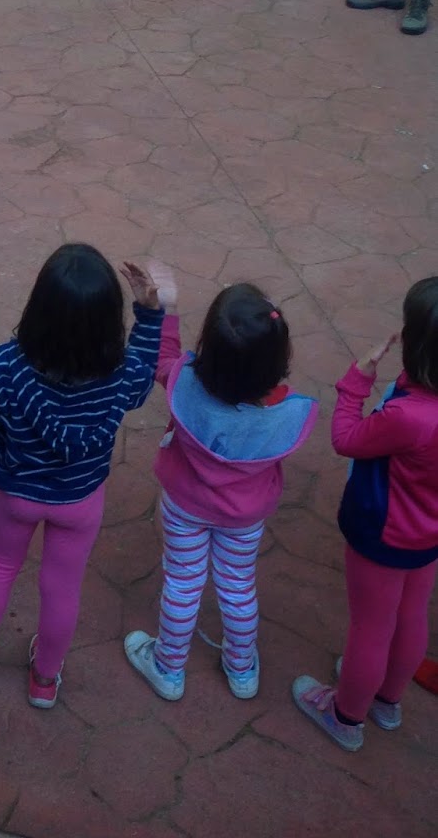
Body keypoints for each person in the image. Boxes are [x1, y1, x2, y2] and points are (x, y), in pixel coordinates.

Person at [0, 249, 165, 708]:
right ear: (109, 320)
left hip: (17, 492)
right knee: (63, 585)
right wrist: (149, 317)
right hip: (80, 498)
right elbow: (143, 383)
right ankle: (45, 679)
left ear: (38, 309)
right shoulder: (121, 371)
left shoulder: (5, 365)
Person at [124, 284, 317, 703]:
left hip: (185, 506)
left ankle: (167, 668)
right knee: (237, 586)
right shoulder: (286, 411)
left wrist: (168, 308)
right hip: (245, 517)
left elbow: (163, 358)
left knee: (182, 583)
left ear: (209, 346)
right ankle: (241, 669)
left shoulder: (185, 383)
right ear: (277, 359)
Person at [293, 280, 438, 751]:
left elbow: (346, 439)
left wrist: (357, 380)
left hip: (384, 533)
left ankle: (345, 716)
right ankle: (387, 701)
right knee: (411, 614)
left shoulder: (410, 418)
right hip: (428, 535)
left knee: (370, 629)